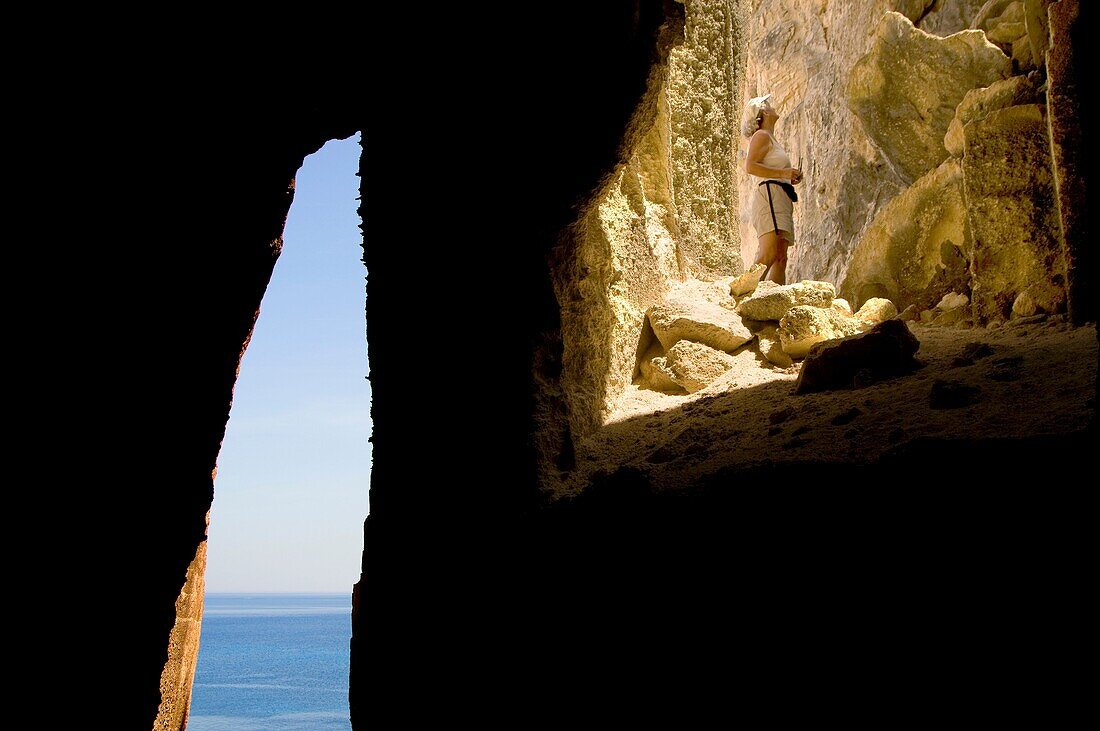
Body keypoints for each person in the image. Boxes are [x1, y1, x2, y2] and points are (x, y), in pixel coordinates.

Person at [742, 93, 802, 285]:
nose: (773, 106)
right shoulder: (761, 136)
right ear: (764, 112)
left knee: (780, 258)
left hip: (779, 195)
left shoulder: (770, 138)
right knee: (768, 254)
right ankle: (739, 295)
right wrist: (784, 174)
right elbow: (750, 166)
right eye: (769, 104)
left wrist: (787, 177)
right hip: (770, 195)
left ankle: (774, 302)